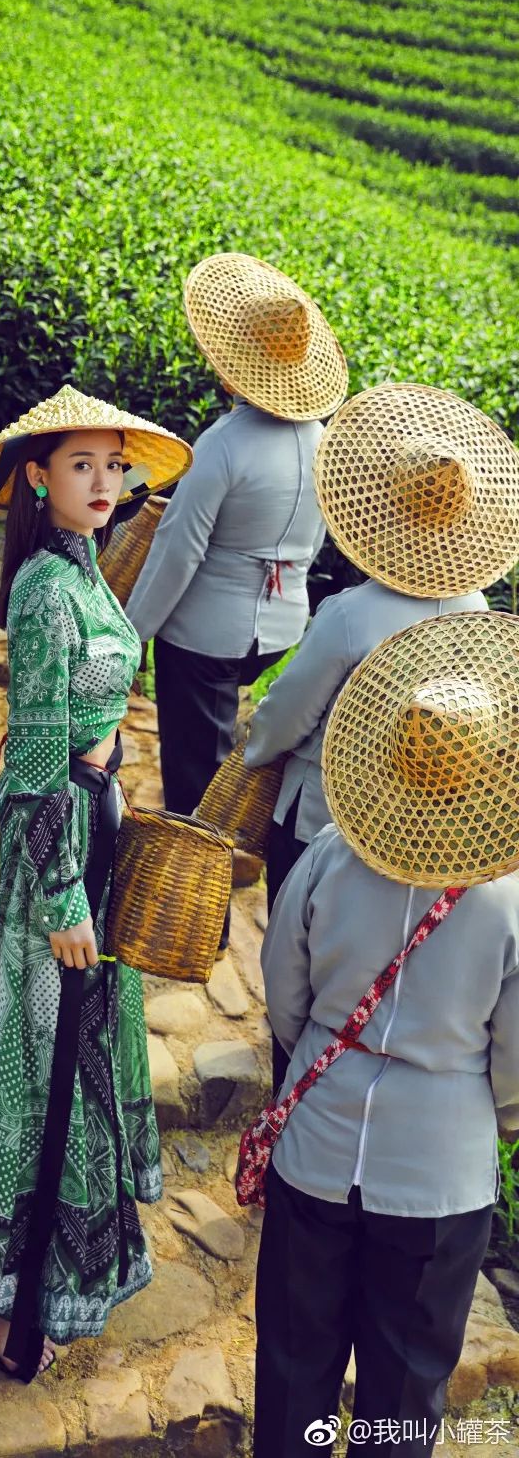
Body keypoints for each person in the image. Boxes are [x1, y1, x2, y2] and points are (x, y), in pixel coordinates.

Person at [0, 386, 193, 1381]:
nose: (105, 481)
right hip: (51, 852)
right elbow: (34, 759)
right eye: (83, 464)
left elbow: (83, 719)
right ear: (37, 477)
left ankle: (16, 1292)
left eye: (114, 465)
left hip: (87, 822)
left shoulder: (84, 568)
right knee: (29, 1061)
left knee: (60, 1057)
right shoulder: (41, 588)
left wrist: (110, 769)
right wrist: (65, 897)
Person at [253, 610, 519, 1458]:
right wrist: (501, 1117)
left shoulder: (330, 856)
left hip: (318, 1143)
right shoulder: (508, 901)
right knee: (404, 1393)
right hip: (438, 1172)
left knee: (293, 1367)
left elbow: (283, 989)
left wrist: (321, 1051)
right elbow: (516, 1068)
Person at [244, 382, 519, 1089]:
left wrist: (254, 751)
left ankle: (292, 1096)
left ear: (381, 511)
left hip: (325, 822)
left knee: (302, 959)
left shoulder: (351, 614)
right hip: (429, 829)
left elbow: (289, 714)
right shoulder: (477, 610)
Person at [125, 253, 348, 827]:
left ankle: (195, 872)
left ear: (234, 369)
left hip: (204, 638)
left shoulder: (225, 443)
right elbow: (315, 538)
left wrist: (131, 634)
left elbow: (179, 550)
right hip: (281, 627)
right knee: (218, 752)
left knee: (194, 792)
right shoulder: (322, 440)